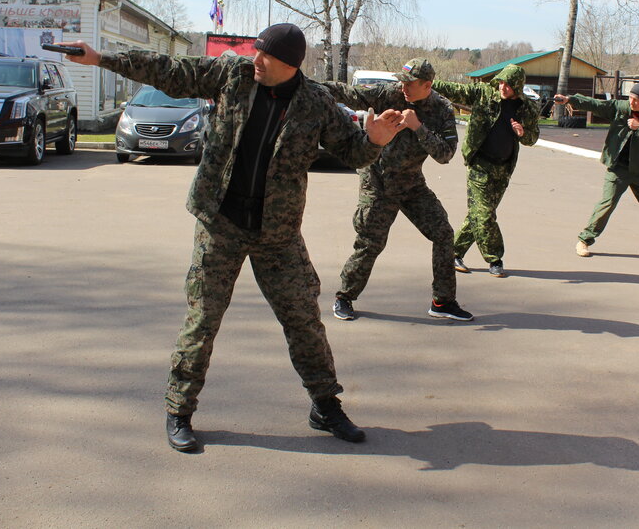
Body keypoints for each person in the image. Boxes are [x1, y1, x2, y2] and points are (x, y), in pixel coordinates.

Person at [58, 24, 403, 452]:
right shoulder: (232, 76)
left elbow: (351, 151)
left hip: (277, 234)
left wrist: (373, 140)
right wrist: (101, 59)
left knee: (303, 320)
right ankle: (179, 409)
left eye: (265, 57)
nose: (255, 60)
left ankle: (325, 406)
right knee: (203, 319)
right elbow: (169, 69)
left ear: (289, 65)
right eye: (255, 52)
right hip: (220, 223)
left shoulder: (315, 104)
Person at [323, 58, 472, 322]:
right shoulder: (388, 94)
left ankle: (443, 301)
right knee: (371, 242)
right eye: (401, 81)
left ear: (427, 85)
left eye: (410, 83)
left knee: (443, 233)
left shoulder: (441, 109)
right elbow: (350, 93)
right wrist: (307, 86)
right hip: (378, 182)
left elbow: (445, 154)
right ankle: (344, 297)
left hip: (411, 184)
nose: (403, 87)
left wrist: (418, 127)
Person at [432, 64, 540, 278]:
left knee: (479, 215)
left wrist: (523, 133)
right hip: (479, 163)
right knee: (484, 214)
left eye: (508, 85)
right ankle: (495, 259)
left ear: (518, 87)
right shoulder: (484, 94)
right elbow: (455, 90)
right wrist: (426, 83)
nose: (503, 87)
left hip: (503, 168)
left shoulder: (527, 108)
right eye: (500, 82)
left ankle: (452, 253)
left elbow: (532, 138)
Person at [552, 81, 639, 257]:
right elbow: (596, 104)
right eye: (630, 98)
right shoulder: (620, 107)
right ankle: (584, 240)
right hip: (618, 168)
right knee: (607, 204)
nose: (632, 102)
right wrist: (570, 100)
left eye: (636, 100)